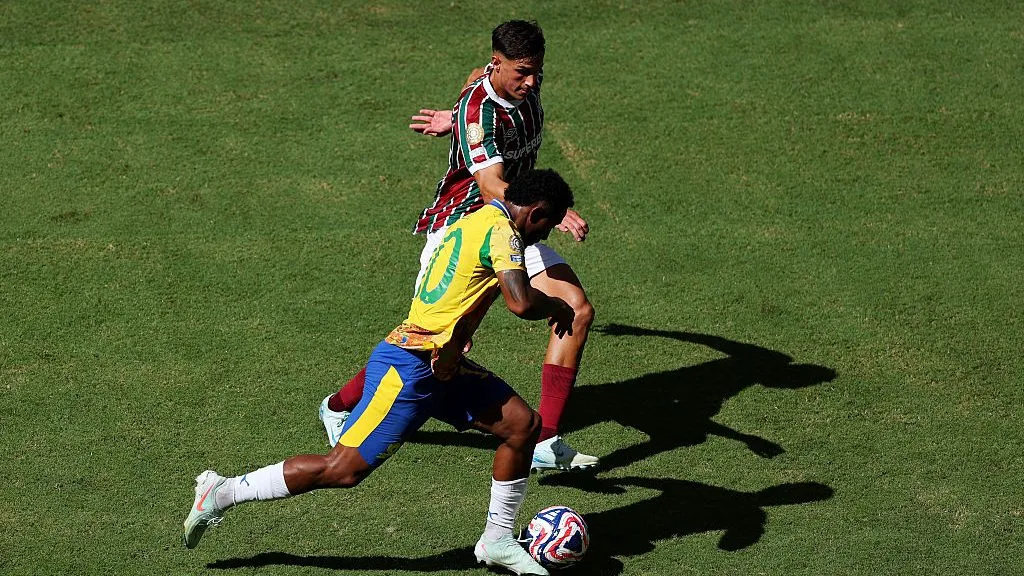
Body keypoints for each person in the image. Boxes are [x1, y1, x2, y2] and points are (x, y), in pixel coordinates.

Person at [183, 169, 577, 576]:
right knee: (342, 469)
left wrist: (456, 333)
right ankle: (223, 491)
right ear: (537, 212)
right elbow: (521, 302)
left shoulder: (473, 219)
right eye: (548, 226)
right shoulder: (504, 234)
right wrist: (559, 307)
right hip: (411, 367)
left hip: (443, 363)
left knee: (523, 427)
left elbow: (446, 283)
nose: (544, 237)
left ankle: (497, 539)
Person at [319, 20, 598, 472]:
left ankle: (544, 441)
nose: (530, 82)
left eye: (535, 71)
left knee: (577, 309)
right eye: (521, 72)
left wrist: (455, 113)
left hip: (517, 225)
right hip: (464, 230)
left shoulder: (516, 80)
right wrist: (548, 205)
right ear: (499, 62)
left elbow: (474, 77)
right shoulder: (481, 115)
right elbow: (490, 186)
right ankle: (338, 405)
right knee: (432, 346)